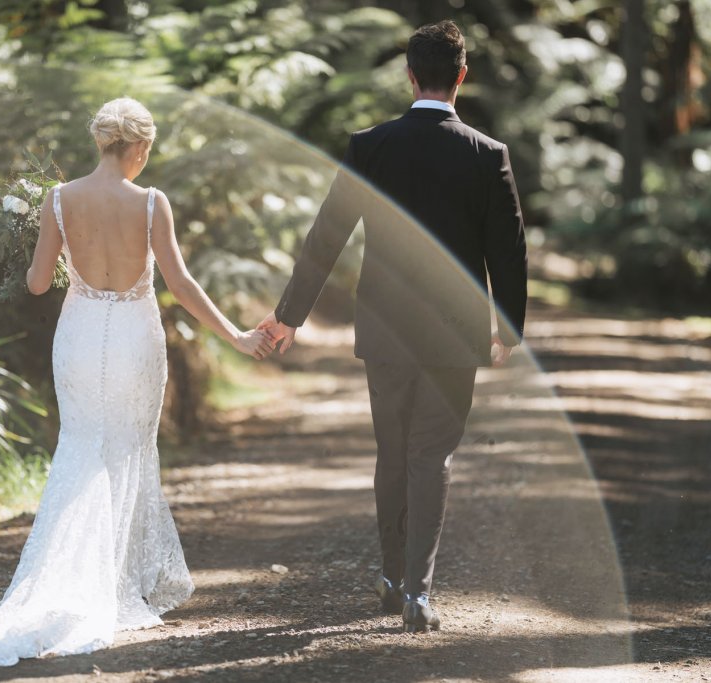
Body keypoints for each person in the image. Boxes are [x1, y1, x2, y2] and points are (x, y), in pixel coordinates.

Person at [0, 97, 274, 666]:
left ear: (100, 142)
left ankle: (64, 582)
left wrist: (45, 242)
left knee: (80, 446)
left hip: (79, 336)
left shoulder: (58, 199)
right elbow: (179, 283)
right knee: (127, 449)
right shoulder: (152, 203)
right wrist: (235, 335)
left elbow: (35, 285)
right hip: (134, 337)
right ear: (140, 148)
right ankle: (108, 584)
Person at [258, 20, 527, 633]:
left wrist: (288, 317)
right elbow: (508, 250)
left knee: (392, 452)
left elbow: (327, 235)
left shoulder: (370, 145)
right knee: (431, 455)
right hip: (455, 331)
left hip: (385, 327)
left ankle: (390, 577)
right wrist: (507, 329)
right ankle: (419, 594)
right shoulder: (488, 155)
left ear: (409, 75)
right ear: (462, 75)